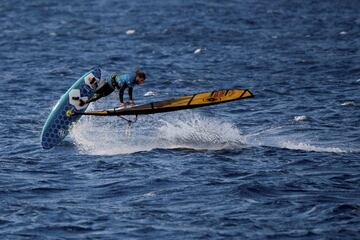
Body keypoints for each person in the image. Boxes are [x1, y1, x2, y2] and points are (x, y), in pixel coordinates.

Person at [79, 70, 146, 107]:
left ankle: (84, 102)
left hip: (112, 87)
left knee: (99, 96)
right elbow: (121, 91)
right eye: (142, 80)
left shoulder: (134, 81)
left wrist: (131, 100)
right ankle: (93, 81)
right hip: (108, 81)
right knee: (96, 91)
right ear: (138, 77)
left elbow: (130, 89)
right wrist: (122, 102)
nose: (142, 82)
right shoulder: (130, 78)